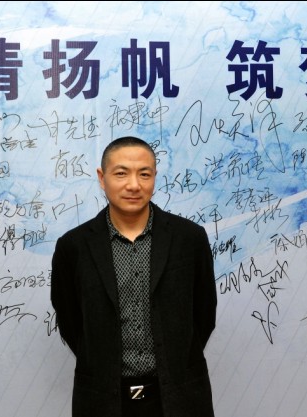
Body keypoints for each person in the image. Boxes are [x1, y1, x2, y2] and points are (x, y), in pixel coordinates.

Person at [51, 135, 217, 417]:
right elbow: (70, 321)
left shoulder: (189, 238)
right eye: (121, 173)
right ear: (102, 178)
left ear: (155, 177)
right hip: (103, 400)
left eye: (144, 174)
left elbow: (203, 314)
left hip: (179, 397)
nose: (133, 185)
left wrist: (175, 362)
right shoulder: (74, 246)